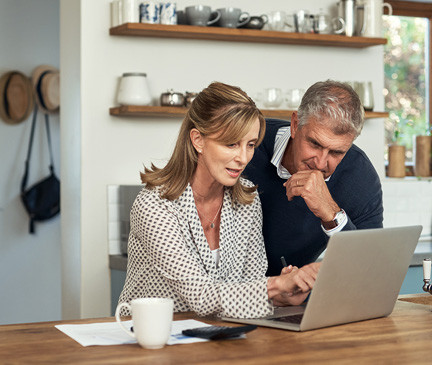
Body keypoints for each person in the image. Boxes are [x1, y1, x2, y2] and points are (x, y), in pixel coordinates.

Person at [118, 82, 320, 319]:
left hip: (218, 337)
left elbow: (249, 284)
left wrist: (281, 297)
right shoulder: (155, 205)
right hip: (151, 338)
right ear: (198, 140)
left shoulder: (247, 201)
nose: (243, 158)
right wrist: (276, 285)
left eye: (251, 145)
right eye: (231, 143)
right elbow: (200, 295)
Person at [244, 80, 383, 277]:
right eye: (315, 144)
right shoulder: (248, 144)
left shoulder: (360, 177)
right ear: (295, 124)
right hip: (229, 293)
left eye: (336, 152)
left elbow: (370, 268)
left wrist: (332, 215)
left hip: (294, 297)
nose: (320, 163)